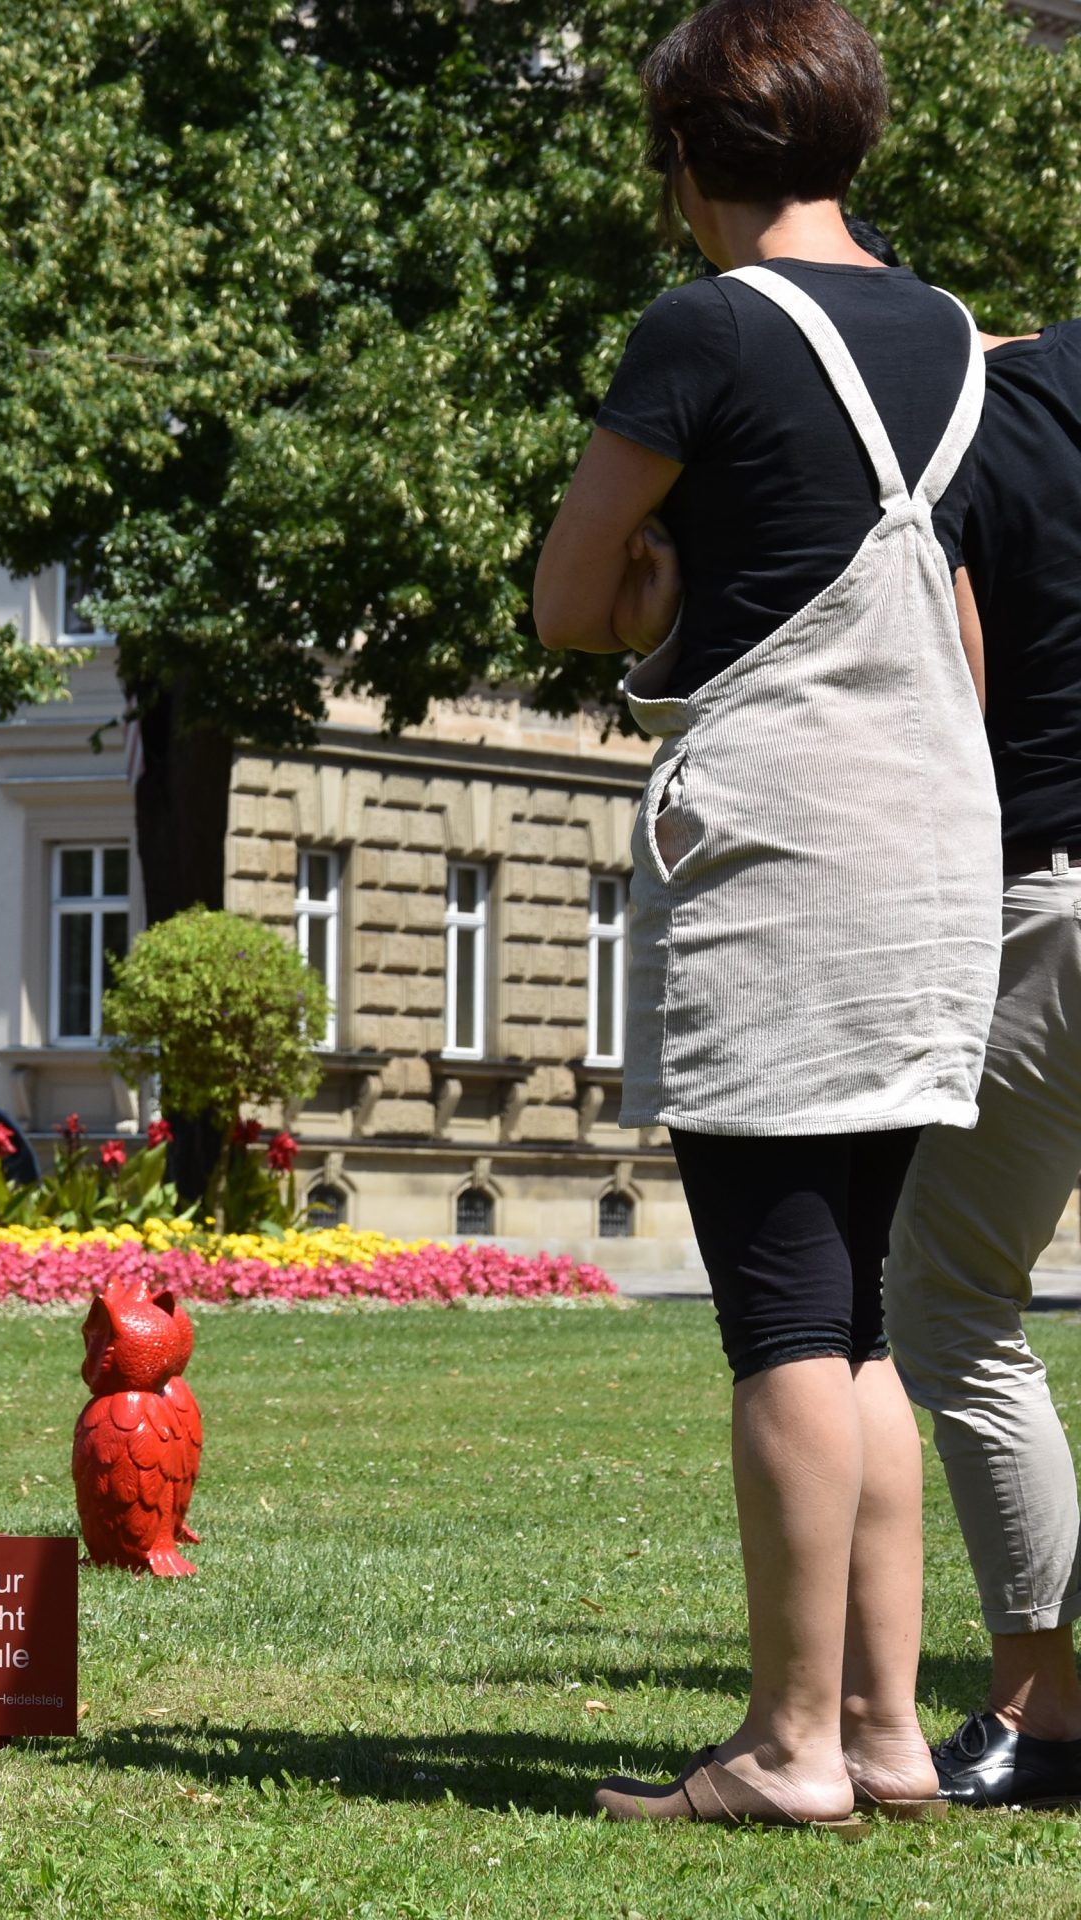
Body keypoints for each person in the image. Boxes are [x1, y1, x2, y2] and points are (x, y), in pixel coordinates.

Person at [532, 0, 998, 1827]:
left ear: (687, 160)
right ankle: (884, 1732)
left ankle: (790, 1746)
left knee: (784, 1320)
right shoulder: (951, 334)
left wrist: (653, 588)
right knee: (864, 1312)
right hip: (936, 838)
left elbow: (574, 596)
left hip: (790, 854)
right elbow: (930, 597)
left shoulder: (703, 327)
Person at [881, 316, 1081, 1809]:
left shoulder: (977, 409)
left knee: (952, 1300)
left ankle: (1043, 1710)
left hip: (1050, 894)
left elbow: (951, 673)